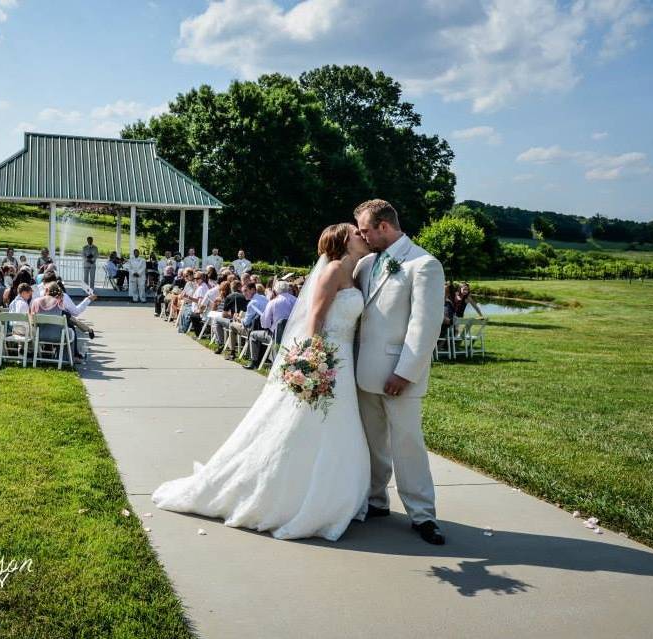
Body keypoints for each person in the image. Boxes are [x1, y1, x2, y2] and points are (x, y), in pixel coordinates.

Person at [153, 222, 373, 540]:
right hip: (325, 360)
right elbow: (315, 317)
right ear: (343, 241)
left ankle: (336, 496)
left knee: (337, 428)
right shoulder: (334, 270)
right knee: (302, 427)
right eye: (356, 233)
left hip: (343, 364)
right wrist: (312, 361)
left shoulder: (354, 273)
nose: (361, 236)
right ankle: (290, 496)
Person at [354, 199, 446, 545]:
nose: (362, 237)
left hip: (399, 375)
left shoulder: (423, 265)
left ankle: (423, 514)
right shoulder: (365, 264)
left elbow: (425, 325)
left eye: (365, 230)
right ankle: (377, 500)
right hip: (365, 372)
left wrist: (405, 372)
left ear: (383, 227)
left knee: (408, 444)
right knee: (373, 442)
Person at [244, 280, 297, 369]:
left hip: (276, 336)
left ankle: (254, 362)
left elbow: (265, 324)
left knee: (253, 335)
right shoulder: (296, 300)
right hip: (292, 334)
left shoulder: (273, 302)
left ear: (275, 291)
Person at [212, 280, 247, 355]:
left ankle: (220, 343)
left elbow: (224, 315)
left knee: (216, 320)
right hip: (245, 323)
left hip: (234, 322)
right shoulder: (245, 296)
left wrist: (230, 315)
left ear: (231, 288)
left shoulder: (229, 297)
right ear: (240, 287)